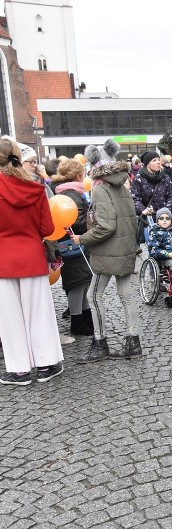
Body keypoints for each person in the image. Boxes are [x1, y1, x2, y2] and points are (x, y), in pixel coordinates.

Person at [0, 136, 64, 385]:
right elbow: (47, 228)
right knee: (38, 313)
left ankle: (19, 370)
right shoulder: (36, 188)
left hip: (3, 259)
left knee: (9, 317)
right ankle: (45, 364)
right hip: (30, 256)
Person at [73, 138, 143, 361]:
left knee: (94, 296)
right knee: (126, 296)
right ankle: (133, 342)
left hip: (107, 250)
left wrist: (83, 238)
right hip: (124, 248)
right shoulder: (122, 186)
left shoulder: (101, 190)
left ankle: (100, 342)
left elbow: (106, 226)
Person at [53, 158, 95, 336]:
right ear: (78, 175)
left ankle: (85, 319)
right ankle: (77, 322)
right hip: (71, 245)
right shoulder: (71, 194)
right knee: (77, 282)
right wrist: (91, 223)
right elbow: (76, 222)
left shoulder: (69, 192)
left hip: (72, 244)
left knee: (83, 281)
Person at [130, 151, 172, 237]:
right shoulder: (139, 179)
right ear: (147, 164)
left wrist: (165, 211)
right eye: (154, 160)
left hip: (165, 220)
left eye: (158, 160)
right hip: (148, 221)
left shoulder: (165, 178)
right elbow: (135, 198)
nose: (158, 162)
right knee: (153, 248)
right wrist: (144, 210)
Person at [146, 208, 172, 288]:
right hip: (163, 257)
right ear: (157, 221)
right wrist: (167, 254)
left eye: (167, 218)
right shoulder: (154, 232)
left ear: (171, 220)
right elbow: (153, 250)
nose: (165, 220)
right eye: (161, 218)